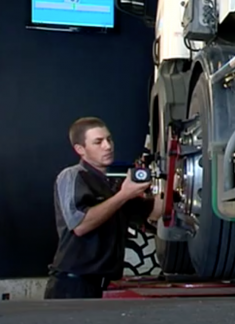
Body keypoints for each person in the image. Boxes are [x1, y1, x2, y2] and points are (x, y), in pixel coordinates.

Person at [44, 116, 164, 299]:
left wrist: (167, 179)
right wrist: (124, 195)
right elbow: (80, 225)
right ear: (80, 149)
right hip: (72, 287)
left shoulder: (112, 187)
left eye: (109, 139)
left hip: (102, 286)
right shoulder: (71, 176)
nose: (108, 146)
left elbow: (156, 212)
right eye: (98, 142)